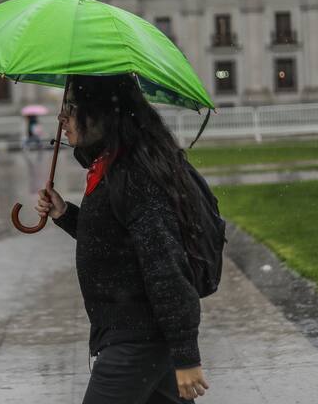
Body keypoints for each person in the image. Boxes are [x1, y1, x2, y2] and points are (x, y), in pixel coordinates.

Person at [35, 74, 210, 404]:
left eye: (71, 107)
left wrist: (187, 354)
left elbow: (166, 266)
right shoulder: (111, 166)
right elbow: (116, 242)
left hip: (137, 340)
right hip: (136, 336)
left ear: (102, 112)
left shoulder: (134, 174)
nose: (62, 117)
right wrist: (65, 215)